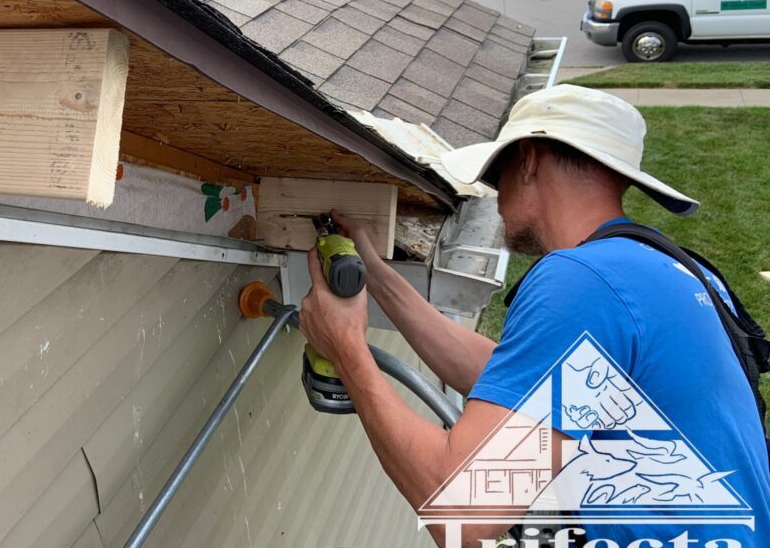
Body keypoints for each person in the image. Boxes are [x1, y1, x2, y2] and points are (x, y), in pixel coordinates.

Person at [298, 84, 770, 547]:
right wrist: (377, 276)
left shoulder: (581, 280)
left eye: (495, 176)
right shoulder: (662, 269)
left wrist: (346, 349)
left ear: (527, 160)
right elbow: (525, 386)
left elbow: (463, 510)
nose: (496, 200)